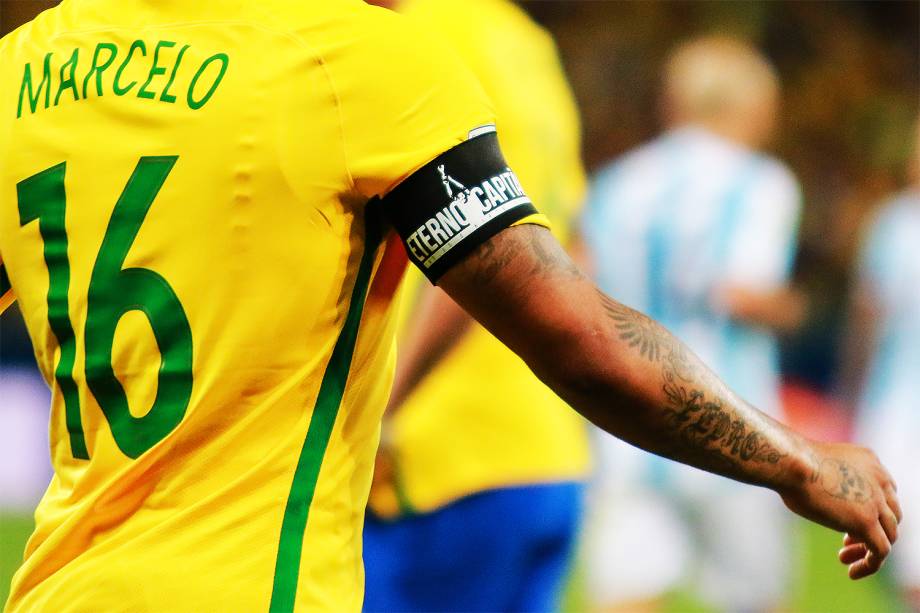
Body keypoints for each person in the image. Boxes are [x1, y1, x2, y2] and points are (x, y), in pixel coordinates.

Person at [0, 2, 900, 612]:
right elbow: (580, 337)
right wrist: (800, 460)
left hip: (58, 583)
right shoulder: (355, 64)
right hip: (259, 583)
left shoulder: (27, 66)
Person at [360, 1, 590, 611]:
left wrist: (381, 410)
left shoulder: (419, 33)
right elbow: (571, 241)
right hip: (541, 451)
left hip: (441, 460)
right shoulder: (527, 44)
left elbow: (489, 266)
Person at [580, 37, 807, 612]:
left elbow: (585, 287)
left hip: (628, 422)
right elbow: (741, 292)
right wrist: (793, 307)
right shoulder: (758, 182)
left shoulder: (618, 183)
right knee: (753, 597)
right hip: (734, 419)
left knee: (627, 594)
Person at [844, 122, 920, 612]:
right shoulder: (892, 223)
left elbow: (865, 321)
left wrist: (850, 391)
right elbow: (867, 321)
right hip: (899, 408)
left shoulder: (894, 225)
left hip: (897, 408)